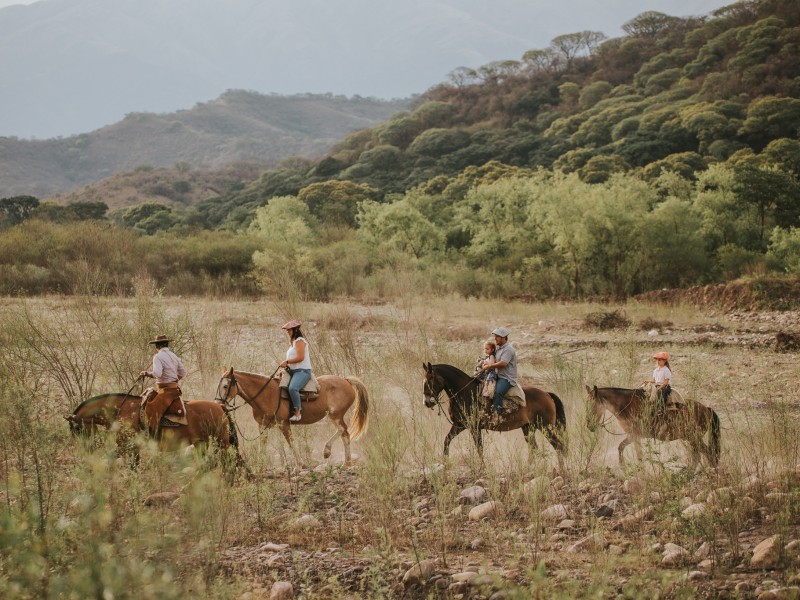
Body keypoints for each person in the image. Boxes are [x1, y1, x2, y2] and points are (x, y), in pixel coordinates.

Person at [139, 334, 186, 436]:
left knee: (150, 409)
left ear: (157, 346)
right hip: (175, 389)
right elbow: (183, 372)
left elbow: (157, 374)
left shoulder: (158, 356)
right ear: (167, 344)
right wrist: (173, 380)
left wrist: (146, 373)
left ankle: (152, 435)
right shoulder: (174, 356)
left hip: (166, 391)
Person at [280, 319, 313, 423]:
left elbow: (301, 357)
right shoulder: (293, 343)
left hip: (302, 371)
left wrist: (287, 361)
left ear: (295, 330)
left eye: (289, 330)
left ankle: (298, 412)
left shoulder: (300, 341)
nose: (288, 333)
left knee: (293, 388)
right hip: (292, 371)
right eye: (287, 331)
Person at [481, 327, 517, 418]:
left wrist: (489, 366)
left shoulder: (508, 349)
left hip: (506, 378)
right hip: (498, 375)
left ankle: (497, 415)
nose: (495, 338)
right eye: (495, 336)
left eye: (497, 336)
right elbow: (493, 360)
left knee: (498, 392)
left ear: (504, 338)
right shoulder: (499, 349)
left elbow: (503, 363)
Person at [648, 351, 672, 416]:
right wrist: (648, 382)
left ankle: (661, 409)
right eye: (657, 360)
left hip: (665, 386)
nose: (658, 361)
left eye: (660, 360)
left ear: (664, 361)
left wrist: (660, 387)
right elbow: (654, 381)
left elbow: (666, 382)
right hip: (657, 385)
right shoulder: (655, 370)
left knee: (662, 392)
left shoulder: (666, 370)